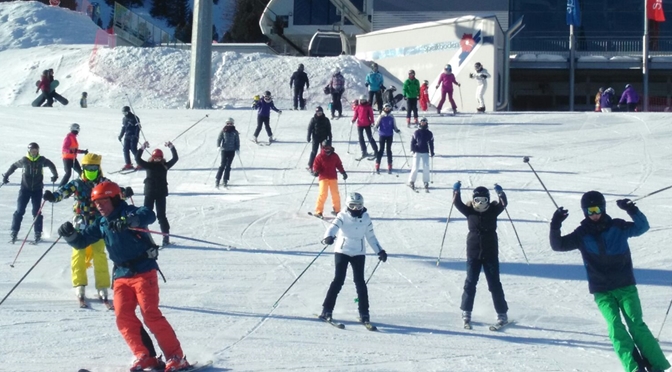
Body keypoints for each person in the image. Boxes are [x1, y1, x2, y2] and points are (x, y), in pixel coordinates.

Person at [57, 181, 190, 372]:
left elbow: (148, 214)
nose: (99, 206)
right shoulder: (101, 222)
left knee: (150, 314)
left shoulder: (126, 212)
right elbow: (81, 241)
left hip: (143, 271)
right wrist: (69, 235)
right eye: (96, 202)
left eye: (103, 201)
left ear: (113, 198)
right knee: (122, 316)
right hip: (121, 275)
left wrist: (128, 221)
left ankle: (176, 357)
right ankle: (145, 356)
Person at [549, 192, 671, 372]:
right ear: (584, 212)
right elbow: (558, 245)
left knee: (636, 324)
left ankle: (657, 365)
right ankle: (634, 367)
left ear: (603, 208)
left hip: (625, 286)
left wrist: (631, 209)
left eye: (597, 209)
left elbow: (642, 227)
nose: (594, 214)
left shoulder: (618, 226)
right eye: (589, 211)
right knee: (615, 326)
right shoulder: (581, 234)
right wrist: (555, 224)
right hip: (602, 290)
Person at [43, 153, 128, 305]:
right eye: (88, 168)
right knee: (78, 253)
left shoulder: (104, 183)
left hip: (99, 222)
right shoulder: (77, 183)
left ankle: (102, 286)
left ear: (98, 168)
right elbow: (63, 192)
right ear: (83, 168)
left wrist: (125, 193)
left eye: (94, 168)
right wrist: (52, 196)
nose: (91, 170)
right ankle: (79, 284)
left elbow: (116, 194)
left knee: (100, 254)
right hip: (80, 222)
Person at [319, 192, 387, 324]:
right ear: (347, 206)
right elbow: (333, 228)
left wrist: (380, 251)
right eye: (353, 206)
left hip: (359, 252)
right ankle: (326, 309)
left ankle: (364, 313)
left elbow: (371, 237)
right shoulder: (342, 216)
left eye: (359, 206)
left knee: (360, 282)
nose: (356, 209)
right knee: (338, 280)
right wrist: (327, 237)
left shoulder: (366, 218)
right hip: (342, 250)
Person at [453, 183, 509, 328]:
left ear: (488, 200)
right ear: (473, 199)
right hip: (473, 253)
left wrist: (500, 193)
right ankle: (466, 311)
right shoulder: (469, 211)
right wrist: (456, 191)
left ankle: (502, 313)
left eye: (484, 200)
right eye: (477, 200)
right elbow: (456, 203)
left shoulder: (493, 211)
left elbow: (504, 204)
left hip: (490, 252)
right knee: (470, 283)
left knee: (494, 284)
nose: (480, 203)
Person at [2, 142, 58, 243]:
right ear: (29, 151)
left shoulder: (41, 160)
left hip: (37, 190)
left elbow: (51, 165)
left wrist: (55, 175)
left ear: (38, 151)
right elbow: (14, 166)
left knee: (36, 212)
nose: (34, 153)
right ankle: (14, 231)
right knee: (20, 210)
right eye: (32, 151)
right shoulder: (24, 160)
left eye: (35, 151)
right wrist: (6, 176)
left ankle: (37, 232)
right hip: (25, 190)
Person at [135, 141, 179, 247]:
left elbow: (175, 158)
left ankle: (165, 237)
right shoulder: (148, 165)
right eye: (156, 157)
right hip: (150, 193)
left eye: (159, 158)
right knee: (145, 215)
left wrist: (171, 147)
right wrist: (142, 148)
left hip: (160, 194)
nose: (157, 159)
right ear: (152, 157)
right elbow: (137, 159)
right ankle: (142, 236)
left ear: (162, 158)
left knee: (161, 216)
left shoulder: (165, 166)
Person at [311, 141, 347, 218]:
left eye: (328, 148)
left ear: (331, 148)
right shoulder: (320, 156)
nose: (327, 150)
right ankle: (319, 211)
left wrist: (343, 172)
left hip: (333, 177)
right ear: (323, 148)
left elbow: (339, 165)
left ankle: (337, 210)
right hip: (323, 178)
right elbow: (316, 166)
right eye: (325, 148)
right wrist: (316, 172)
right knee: (323, 194)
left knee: (335, 194)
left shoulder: (334, 156)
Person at [407, 117, 434, 191]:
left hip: (425, 151)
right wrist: (412, 149)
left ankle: (426, 181)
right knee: (415, 167)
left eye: (424, 122)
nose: (423, 123)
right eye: (422, 122)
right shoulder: (416, 132)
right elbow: (412, 142)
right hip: (417, 151)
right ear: (420, 123)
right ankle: (411, 181)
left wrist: (432, 152)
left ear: (426, 123)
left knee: (426, 167)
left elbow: (431, 143)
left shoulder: (429, 133)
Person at [373, 103, 401, 174]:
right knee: (381, 150)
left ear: (390, 109)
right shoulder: (381, 116)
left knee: (389, 150)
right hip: (382, 135)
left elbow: (394, 126)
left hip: (389, 135)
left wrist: (397, 130)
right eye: (386, 108)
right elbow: (377, 124)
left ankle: (389, 164)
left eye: (388, 108)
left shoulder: (392, 117)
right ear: (383, 108)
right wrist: (375, 127)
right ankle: (377, 164)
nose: (387, 109)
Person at [60, 123, 88, 187]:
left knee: (81, 172)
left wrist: (83, 151)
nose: (78, 130)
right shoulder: (68, 137)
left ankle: (87, 185)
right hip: (67, 158)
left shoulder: (74, 138)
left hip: (73, 158)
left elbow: (75, 150)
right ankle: (61, 187)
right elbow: (64, 148)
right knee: (68, 173)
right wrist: (71, 151)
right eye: (77, 128)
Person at [215, 117, 240, 188]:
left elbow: (237, 141)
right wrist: (218, 146)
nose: (229, 125)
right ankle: (217, 179)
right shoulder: (223, 131)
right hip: (224, 150)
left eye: (231, 123)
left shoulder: (235, 132)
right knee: (222, 165)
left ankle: (225, 180)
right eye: (228, 123)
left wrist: (237, 149)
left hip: (232, 151)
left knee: (228, 166)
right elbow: (219, 139)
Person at [351, 95, 378, 160]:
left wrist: (372, 122)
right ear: (360, 100)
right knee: (361, 138)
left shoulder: (368, 107)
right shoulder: (358, 107)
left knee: (370, 137)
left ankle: (376, 150)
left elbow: (371, 115)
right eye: (361, 100)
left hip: (367, 124)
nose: (363, 101)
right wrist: (353, 120)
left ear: (366, 100)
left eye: (364, 100)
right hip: (360, 124)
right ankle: (364, 151)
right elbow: (355, 115)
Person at [306, 106, 332, 172]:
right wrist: (308, 137)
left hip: (323, 138)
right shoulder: (313, 119)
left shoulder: (326, 120)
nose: (319, 114)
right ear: (316, 113)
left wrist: (330, 138)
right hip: (316, 138)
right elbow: (309, 129)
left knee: (323, 152)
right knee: (314, 151)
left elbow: (329, 129)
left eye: (320, 112)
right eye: (318, 113)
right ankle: (310, 165)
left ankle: (324, 165)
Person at [119, 106, 141, 170]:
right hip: (127, 136)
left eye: (125, 113)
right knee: (125, 149)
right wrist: (121, 135)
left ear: (129, 111)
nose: (124, 114)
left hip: (133, 136)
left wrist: (136, 135)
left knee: (133, 149)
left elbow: (138, 127)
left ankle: (140, 163)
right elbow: (123, 128)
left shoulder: (135, 118)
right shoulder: (124, 119)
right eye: (123, 113)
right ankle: (128, 164)